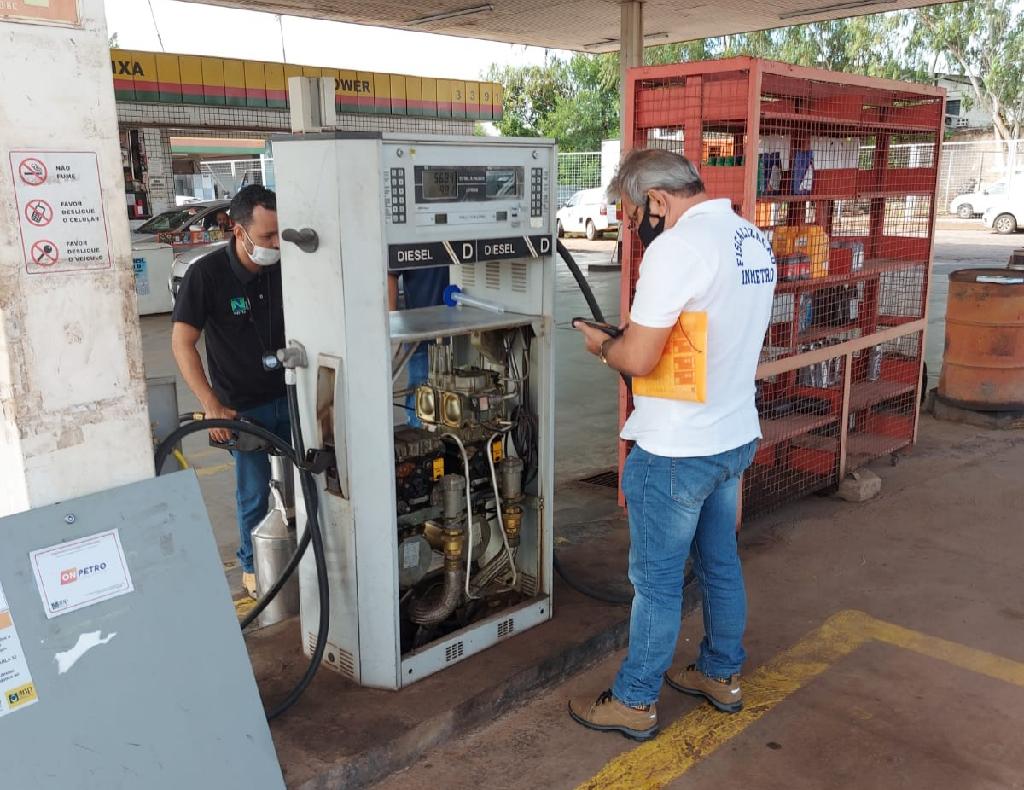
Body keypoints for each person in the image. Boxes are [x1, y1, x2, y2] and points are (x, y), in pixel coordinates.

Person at [568, 149, 776, 741]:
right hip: (734, 434)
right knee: (719, 563)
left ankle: (634, 702)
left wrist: (602, 346)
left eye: (635, 213)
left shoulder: (677, 247)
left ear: (658, 201)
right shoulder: (751, 239)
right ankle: (720, 674)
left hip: (677, 449)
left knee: (656, 584)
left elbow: (637, 358)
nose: (635, 226)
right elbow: (700, 331)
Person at [171, 185, 288, 599]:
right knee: (254, 493)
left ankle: (305, 557)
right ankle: (254, 569)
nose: (275, 245)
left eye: (280, 235)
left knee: (306, 483)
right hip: (243, 409)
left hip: (293, 400)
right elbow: (182, 343)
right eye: (267, 237)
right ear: (239, 232)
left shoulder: (287, 265)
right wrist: (211, 405)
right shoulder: (207, 275)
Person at [389, 266, 450, 425]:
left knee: (455, 406)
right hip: (421, 338)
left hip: (461, 338)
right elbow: (390, 276)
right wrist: (392, 330)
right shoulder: (408, 241)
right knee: (423, 408)